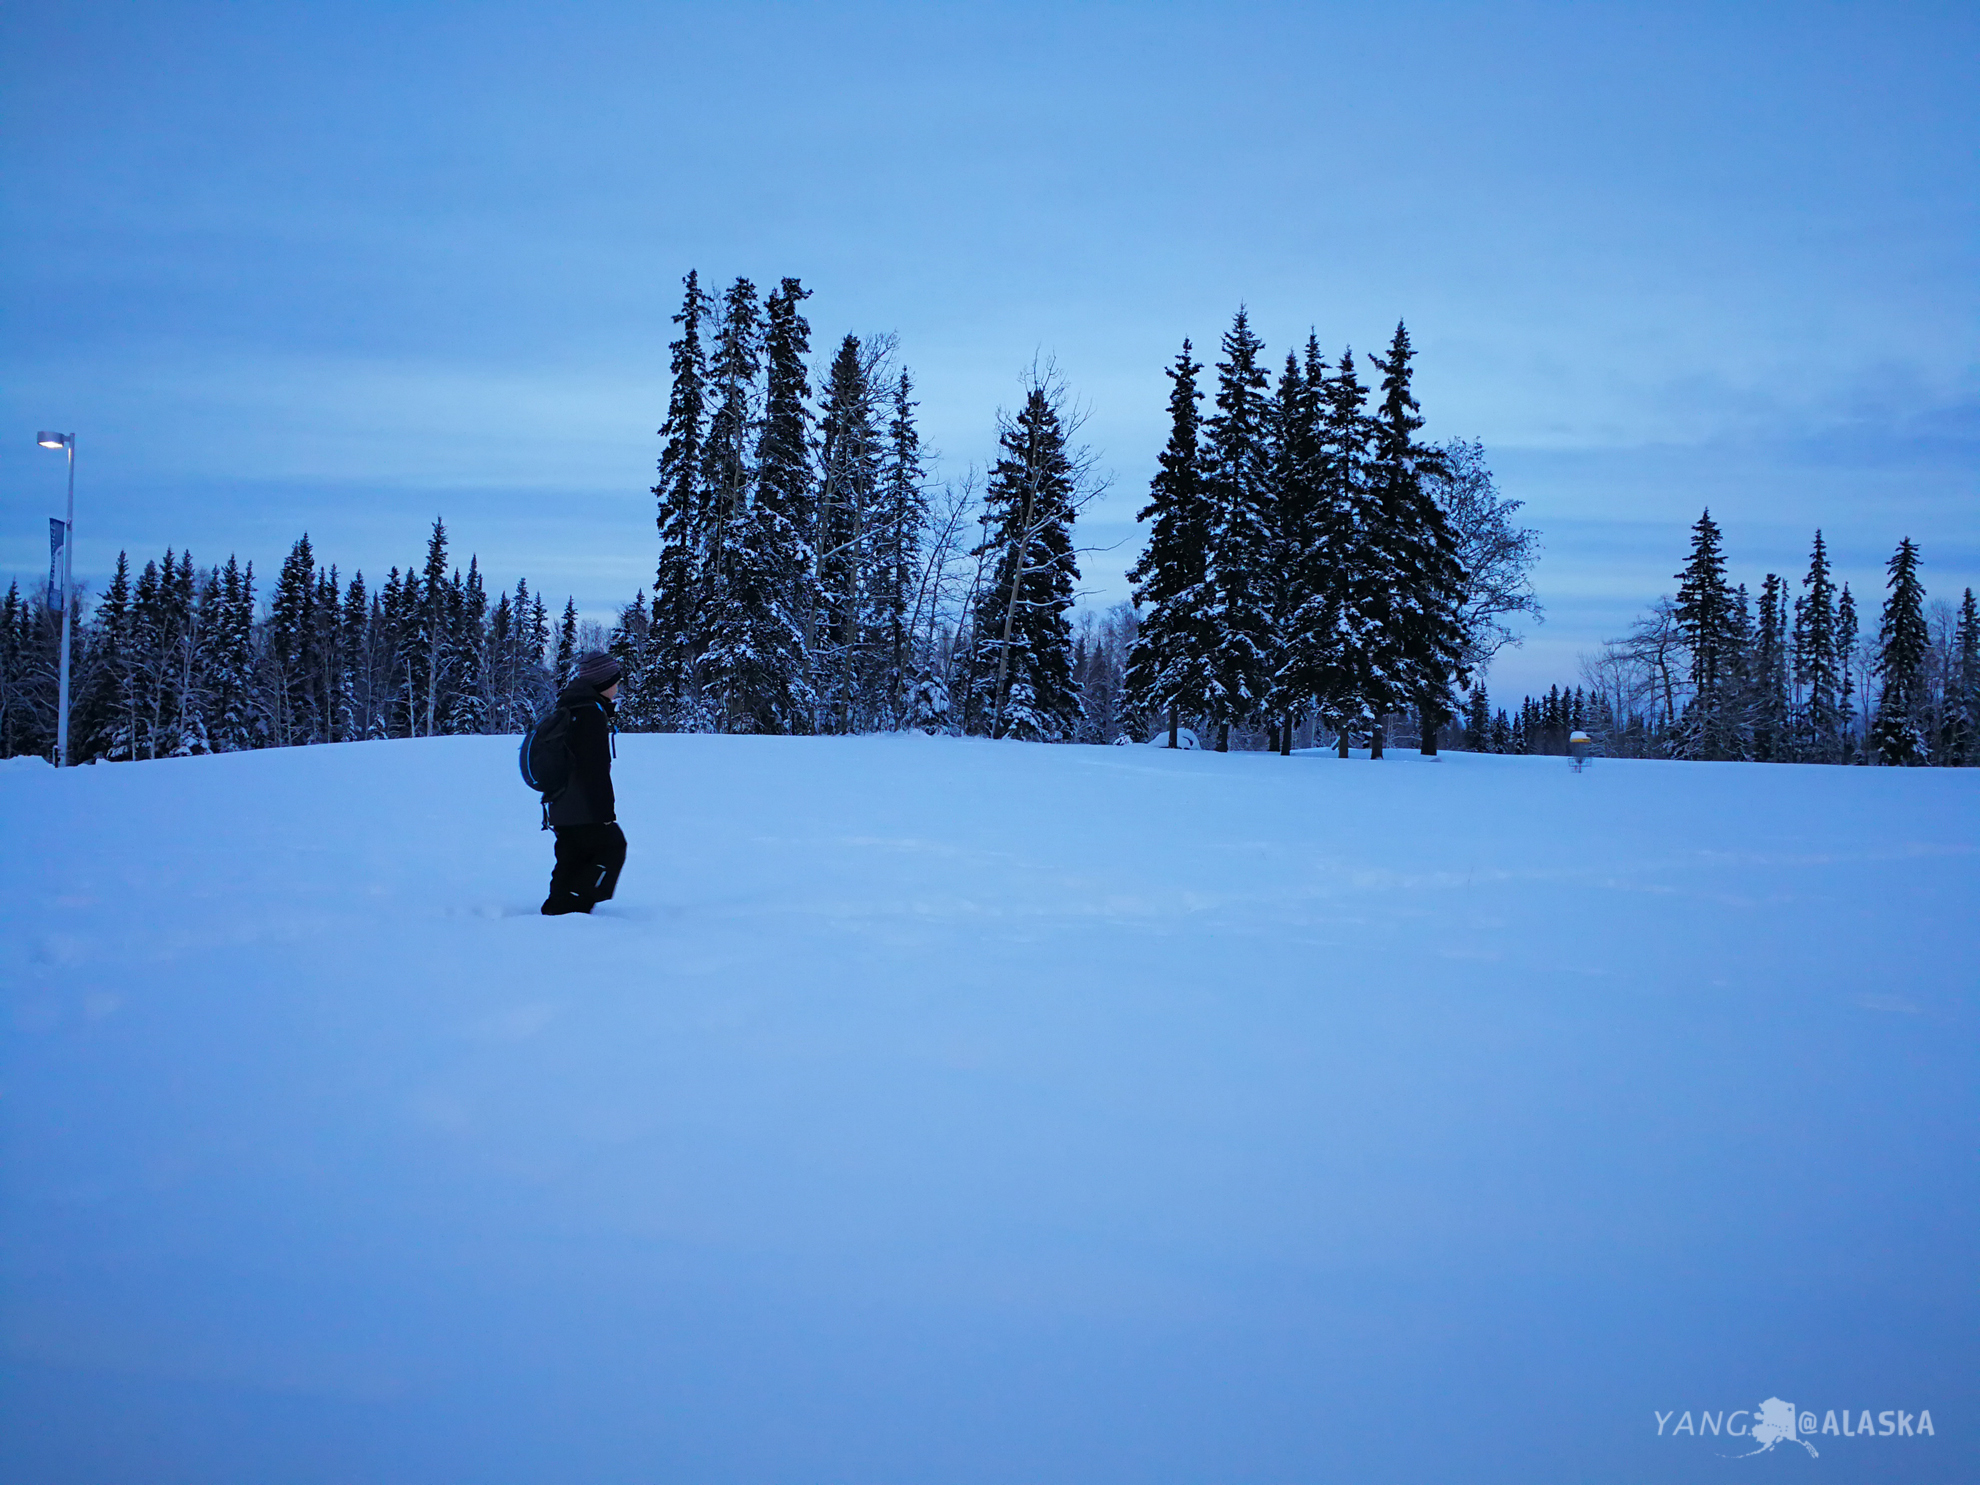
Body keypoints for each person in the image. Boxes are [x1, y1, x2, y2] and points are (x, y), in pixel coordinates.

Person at [542, 651, 627, 915]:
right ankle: (576, 905)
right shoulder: (590, 714)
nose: (617, 686)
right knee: (612, 846)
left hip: (561, 803)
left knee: (572, 856)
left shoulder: (572, 706)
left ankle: (558, 908)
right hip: (582, 806)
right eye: (615, 681)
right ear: (603, 683)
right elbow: (594, 770)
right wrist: (604, 814)